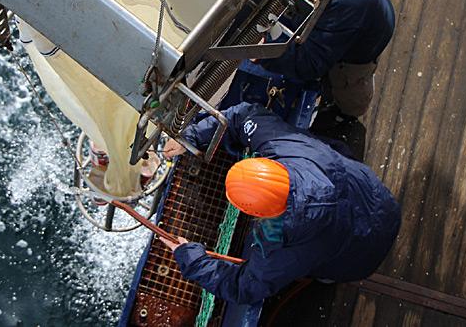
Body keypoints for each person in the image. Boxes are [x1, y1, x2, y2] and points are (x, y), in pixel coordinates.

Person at [160, 102, 401, 305]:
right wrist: (191, 137)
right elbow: (243, 116)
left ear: (259, 214)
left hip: (360, 260)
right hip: (383, 204)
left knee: (325, 271)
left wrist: (193, 260)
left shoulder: (277, 236)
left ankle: (327, 277)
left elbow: (247, 286)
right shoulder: (286, 148)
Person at [260, 0, 395, 122]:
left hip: (365, 42)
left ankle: (348, 114)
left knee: (350, 85)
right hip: (371, 7)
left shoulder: (349, 4)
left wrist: (264, 54)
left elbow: (311, 64)